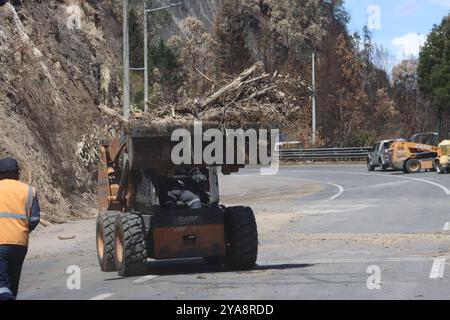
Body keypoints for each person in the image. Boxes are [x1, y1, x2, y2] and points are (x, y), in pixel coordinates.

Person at [0, 158, 40, 300]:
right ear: (18, 173)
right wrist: (20, 230)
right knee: (12, 282)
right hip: (19, 243)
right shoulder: (29, 191)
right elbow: (34, 219)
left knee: (2, 284)